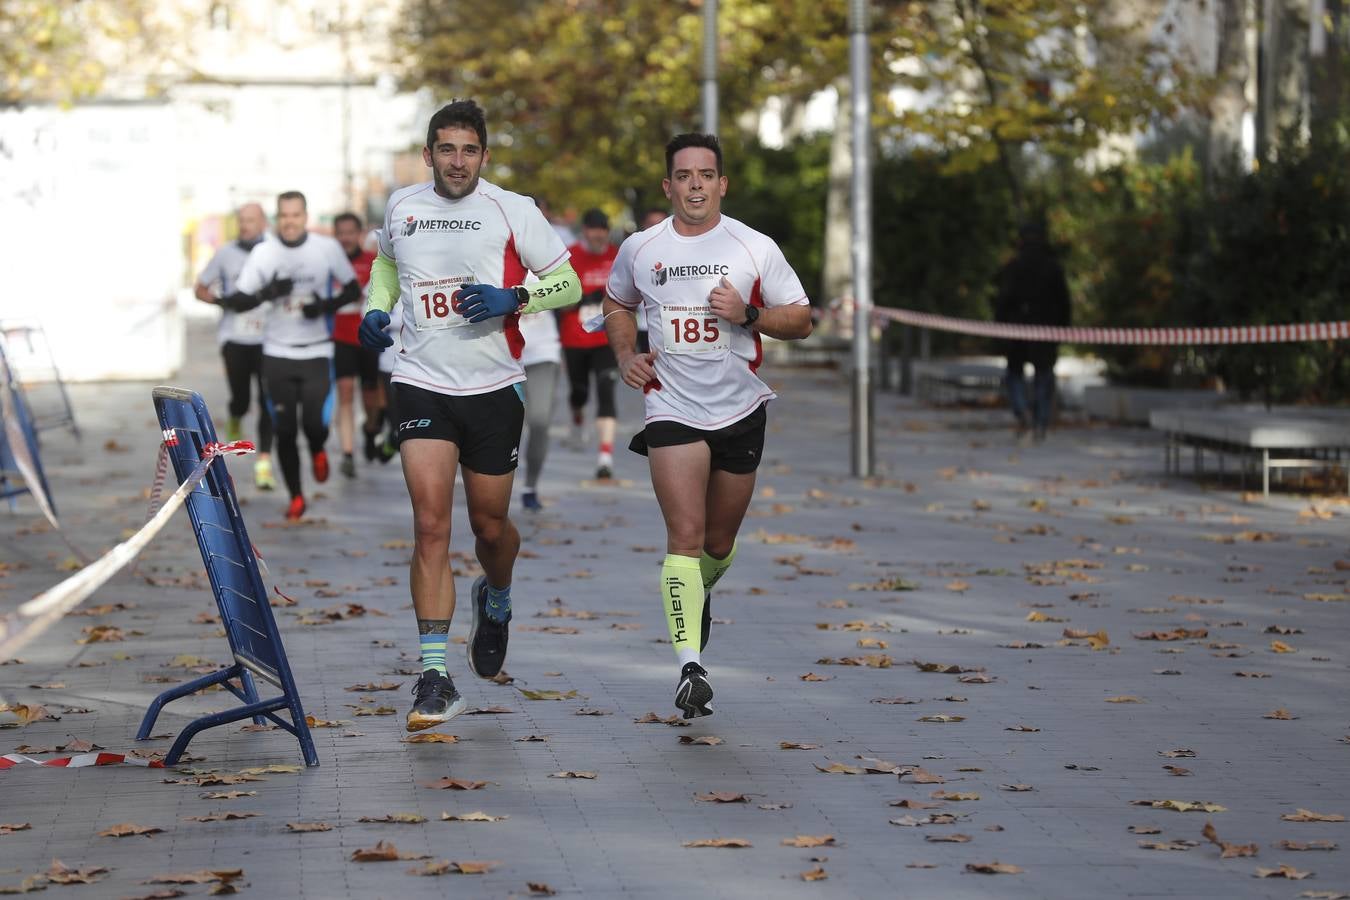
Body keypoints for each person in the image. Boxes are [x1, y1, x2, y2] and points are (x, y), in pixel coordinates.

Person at [357, 100, 581, 731]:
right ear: (428, 155)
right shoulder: (402, 206)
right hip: (420, 382)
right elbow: (388, 265)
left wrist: (516, 295)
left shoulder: (512, 207)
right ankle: (434, 675)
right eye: (446, 150)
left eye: (469, 150)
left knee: (490, 530)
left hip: (493, 387)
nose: (458, 161)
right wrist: (377, 310)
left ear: (484, 156)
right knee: (431, 525)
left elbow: (567, 283)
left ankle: (498, 595)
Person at [602, 133, 812, 718]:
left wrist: (748, 314)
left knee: (717, 543)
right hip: (670, 406)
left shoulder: (753, 245)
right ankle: (689, 666)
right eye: (684, 175)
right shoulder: (641, 248)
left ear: (722, 183)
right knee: (685, 536)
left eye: (706, 175)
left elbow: (801, 318)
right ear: (668, 186)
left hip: (740, 409)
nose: (696, 184)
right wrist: (626, 357)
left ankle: (700, 590)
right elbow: (616, 304)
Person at [220, 191, 360, 520]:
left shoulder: (325, 249)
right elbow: (237, 301)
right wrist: (269, 292)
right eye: (284, 216)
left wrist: (323, 307)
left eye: (296, 215)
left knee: (313, 423)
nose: (290, 222)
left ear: (305, 216)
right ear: (277, 218)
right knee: (284, 429)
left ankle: (317, 449)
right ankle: (296, 496)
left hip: (317, 350)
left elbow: (352, 289)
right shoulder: (264, 253)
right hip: (276, 351)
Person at [194, 203, 276, 490]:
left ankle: (264, 464)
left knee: (268, 401)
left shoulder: (275, 250)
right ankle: (235, 415)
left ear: (263, 222)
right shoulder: (226, 253)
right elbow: (200, 288)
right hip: (234, 337)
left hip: (269, 338)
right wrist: (222, 302)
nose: (245, 226)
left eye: (251, 220)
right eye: (241, 220)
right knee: (241, 397)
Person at [992, 217, 1071, 443]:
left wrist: (1001, 329)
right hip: (1046, 330)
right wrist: (1063, 330)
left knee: (1015, 374)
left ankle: (1022, 411)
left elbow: (1002, 301)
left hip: (1017, 330)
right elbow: (1064, 302)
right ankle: (1040, 421)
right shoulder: (1053, 267)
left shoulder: (1014, 267)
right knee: (1043, 376)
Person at [559, 208, 620, 479]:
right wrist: (583, 299)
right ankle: (577, 417)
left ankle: (605, 456)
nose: (598, 235)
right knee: (579, 392)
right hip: (575, 337)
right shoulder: (569, 256)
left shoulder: (617, 256)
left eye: (602, 230)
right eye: (593, 229)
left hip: (607, 338)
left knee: (606, 390)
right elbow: (558, 301)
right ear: (584, 231)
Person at [330, 212, 380, 477]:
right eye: (341, 232)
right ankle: (348, 453)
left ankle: (371, 429)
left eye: (350, 232)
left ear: (359, 234)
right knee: (345, 391)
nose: (346, 237)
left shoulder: (373, 262)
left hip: (367, 336)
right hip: (340, 337)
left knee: (370, 394)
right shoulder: (328, 264)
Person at [517, 278, 562, 511]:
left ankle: (530, 486)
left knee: (539, 420)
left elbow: (570, 290)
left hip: (542, 353)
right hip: (502, 356)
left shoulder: (543, 255)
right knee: (504, 427)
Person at [633, 206, 668, 354]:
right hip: (644, 328)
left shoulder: (681, 255)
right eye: (651, 225)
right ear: (644, 226)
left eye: (660, 224)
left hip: (673, 330)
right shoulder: (633, 254)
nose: (656, 230)